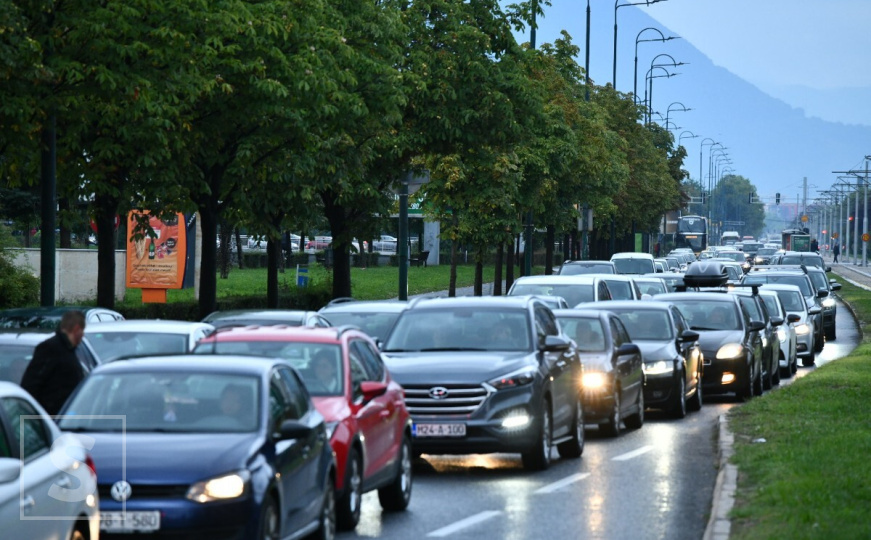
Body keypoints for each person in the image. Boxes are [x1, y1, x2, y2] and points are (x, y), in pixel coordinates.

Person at [20, 310, 86, 416]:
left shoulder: (69, 350)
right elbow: (31, 384)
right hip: (52, 417)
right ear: (76, 329)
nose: (83, 335)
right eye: (82, 331)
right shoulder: (51, 348)